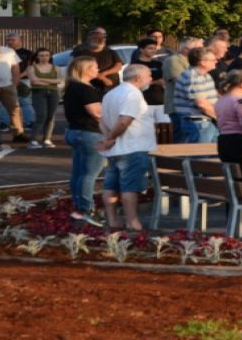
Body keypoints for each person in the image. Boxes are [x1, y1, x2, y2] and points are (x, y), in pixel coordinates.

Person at [97, 64, 156, 231]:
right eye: (149, 75)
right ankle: (132, 222)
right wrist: (111, 138)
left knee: (111, 186)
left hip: (116, 149)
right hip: (132, 148)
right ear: (138, 78)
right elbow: (124, 120)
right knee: (129, 187)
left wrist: (109, 138)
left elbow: (101, 120)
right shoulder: (132, 94)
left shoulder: (111, 93)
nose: (151, 79)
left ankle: (113, 221)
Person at [62, 56, 105, 226]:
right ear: (86, 69)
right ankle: (86, 209)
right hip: (90, 133)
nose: (98, 69)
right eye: (95, 67)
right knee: (89, 174)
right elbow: (96, 113)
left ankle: (79, 206)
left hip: (74, 131)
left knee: (79, 172)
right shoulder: (86, 89)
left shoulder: (72, 86)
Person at [216, 69, 242, 235]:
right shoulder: (240, 101)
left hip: (224, 140)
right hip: (240, 141)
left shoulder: (222, 100)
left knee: (233, 183)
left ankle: (233, 221)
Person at [172, 47, 219, 143]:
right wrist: (219, 118)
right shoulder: (194, 77)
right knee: (200, 155)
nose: (216, 61)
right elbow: (201, 104)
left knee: (211, 154)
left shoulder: (204, 75)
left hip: (205, 121)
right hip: (198, 122)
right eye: (213, 60)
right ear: (202, 62)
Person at [163, 37, 201, 142]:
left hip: (190, 107)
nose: (202, 52)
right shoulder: (174, 60)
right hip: (177, 107)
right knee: (181, 138)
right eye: (199, 49)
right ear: (186, 49)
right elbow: (181, 82)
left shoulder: (192, 62)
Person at [25, 48, 60, 148]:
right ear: (37, 56)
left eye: (46, 55)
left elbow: (58, 80)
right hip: (38, 93)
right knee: (41, 115)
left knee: (50, 117)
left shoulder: (55, 68)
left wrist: (40, 78)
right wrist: (50, 81)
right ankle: (33, 140)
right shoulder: (31, 68)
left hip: (53, 93)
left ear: (50, 56)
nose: (44, 57)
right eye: (41, 55)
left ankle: (47, 139)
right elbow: (34, 81)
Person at [71, 27, 123, 93]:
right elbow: (76, 68)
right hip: (90, 87)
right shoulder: (81, 53)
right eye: (97, 39)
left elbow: (118, 66)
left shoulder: (110, 52)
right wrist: (99, 76)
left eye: (102, 39)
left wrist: (104, 74)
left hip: (111, 88)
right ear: (90, 40)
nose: (102, 41)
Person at [4, 33, 34, 132]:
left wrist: (17, 77)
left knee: (25, 101)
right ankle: (4, 123)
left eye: (12, 40)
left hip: (24, 80)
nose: (10, 42)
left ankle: (29, 122)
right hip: (6, 80)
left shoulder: (28, 53)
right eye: (8, 40)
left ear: (20, 40)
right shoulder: (2, 52)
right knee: (4, 102)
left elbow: (31, 67)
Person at [132, 38, 166, 113]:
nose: (153, 50)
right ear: (141, 49)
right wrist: (155, 82)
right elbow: (133, 84)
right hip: (144, 101)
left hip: (160, 100)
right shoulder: (135, 65)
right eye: (150, 48)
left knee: (163, 124)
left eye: (154, 48)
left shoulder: (158, 64)